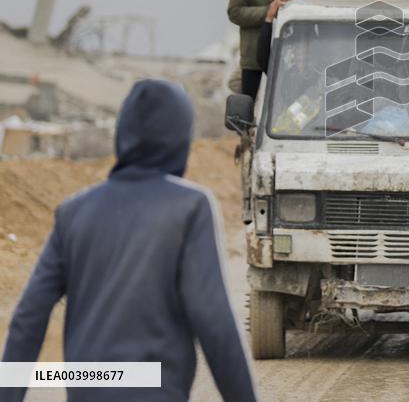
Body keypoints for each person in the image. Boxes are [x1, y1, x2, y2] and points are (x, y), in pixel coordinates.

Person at [1, 80, 257, 402]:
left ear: (123, 133)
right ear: (180, 138)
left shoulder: (73, 212)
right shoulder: (189, 207)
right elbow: (214, 321)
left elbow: (28, 317)